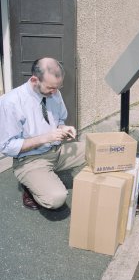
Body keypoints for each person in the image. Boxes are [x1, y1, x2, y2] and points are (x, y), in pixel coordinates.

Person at [0, 57, 85, 210]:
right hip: (30, 160)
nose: (54, 92)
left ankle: (44, 178)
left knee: (96, 150)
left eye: (57, 87)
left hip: (57, 151)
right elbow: (7, 146)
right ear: (34, 80)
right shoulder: (10, 103)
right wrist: (45, 138)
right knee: (56, 199)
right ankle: (31, 186)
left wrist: (63, 128)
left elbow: (59, 119)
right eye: (50, 88)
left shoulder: (55, 92)